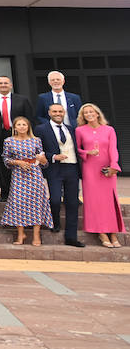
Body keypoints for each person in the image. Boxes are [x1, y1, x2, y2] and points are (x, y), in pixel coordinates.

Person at [36, 103, 84, 247]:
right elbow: (38, 150)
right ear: (49, 113)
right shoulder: (41, 129)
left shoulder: (71, 128)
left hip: (72, 167)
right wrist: (53, 156)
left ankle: (71, 237)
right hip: (54, 168)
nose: (58, 114)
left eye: (60, 111)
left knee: (72, 203)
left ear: (64, 113)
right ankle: (55, 222)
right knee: (55, 199)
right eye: (55, 111)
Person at [75, 103, 123, 247]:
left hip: (107, 169)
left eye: (91, 112)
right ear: (83, 116)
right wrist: (87, 152)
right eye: (85, 113)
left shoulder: (109, 129)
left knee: (109, 201)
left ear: (97, 113)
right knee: (94, 201)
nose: (89, 114)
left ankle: (113, 234)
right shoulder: (79, 130)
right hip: (90, 169)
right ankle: (102, 233)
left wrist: (114, 166)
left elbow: (113, 149)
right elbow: (77, 149)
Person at [1, 116, 53, 246]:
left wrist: (43, 160)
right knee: (18, 202)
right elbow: (6, 159)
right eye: (19, 125)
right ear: (14, 127)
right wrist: (18, 162)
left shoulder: (36, 140)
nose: (22, 127)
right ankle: (21, 234)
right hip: (18, 174)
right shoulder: (9, 141)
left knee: (36, 203)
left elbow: (44, 162)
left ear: (28, 126)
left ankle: (36, 235)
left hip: (34, 174)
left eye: (24, 124)